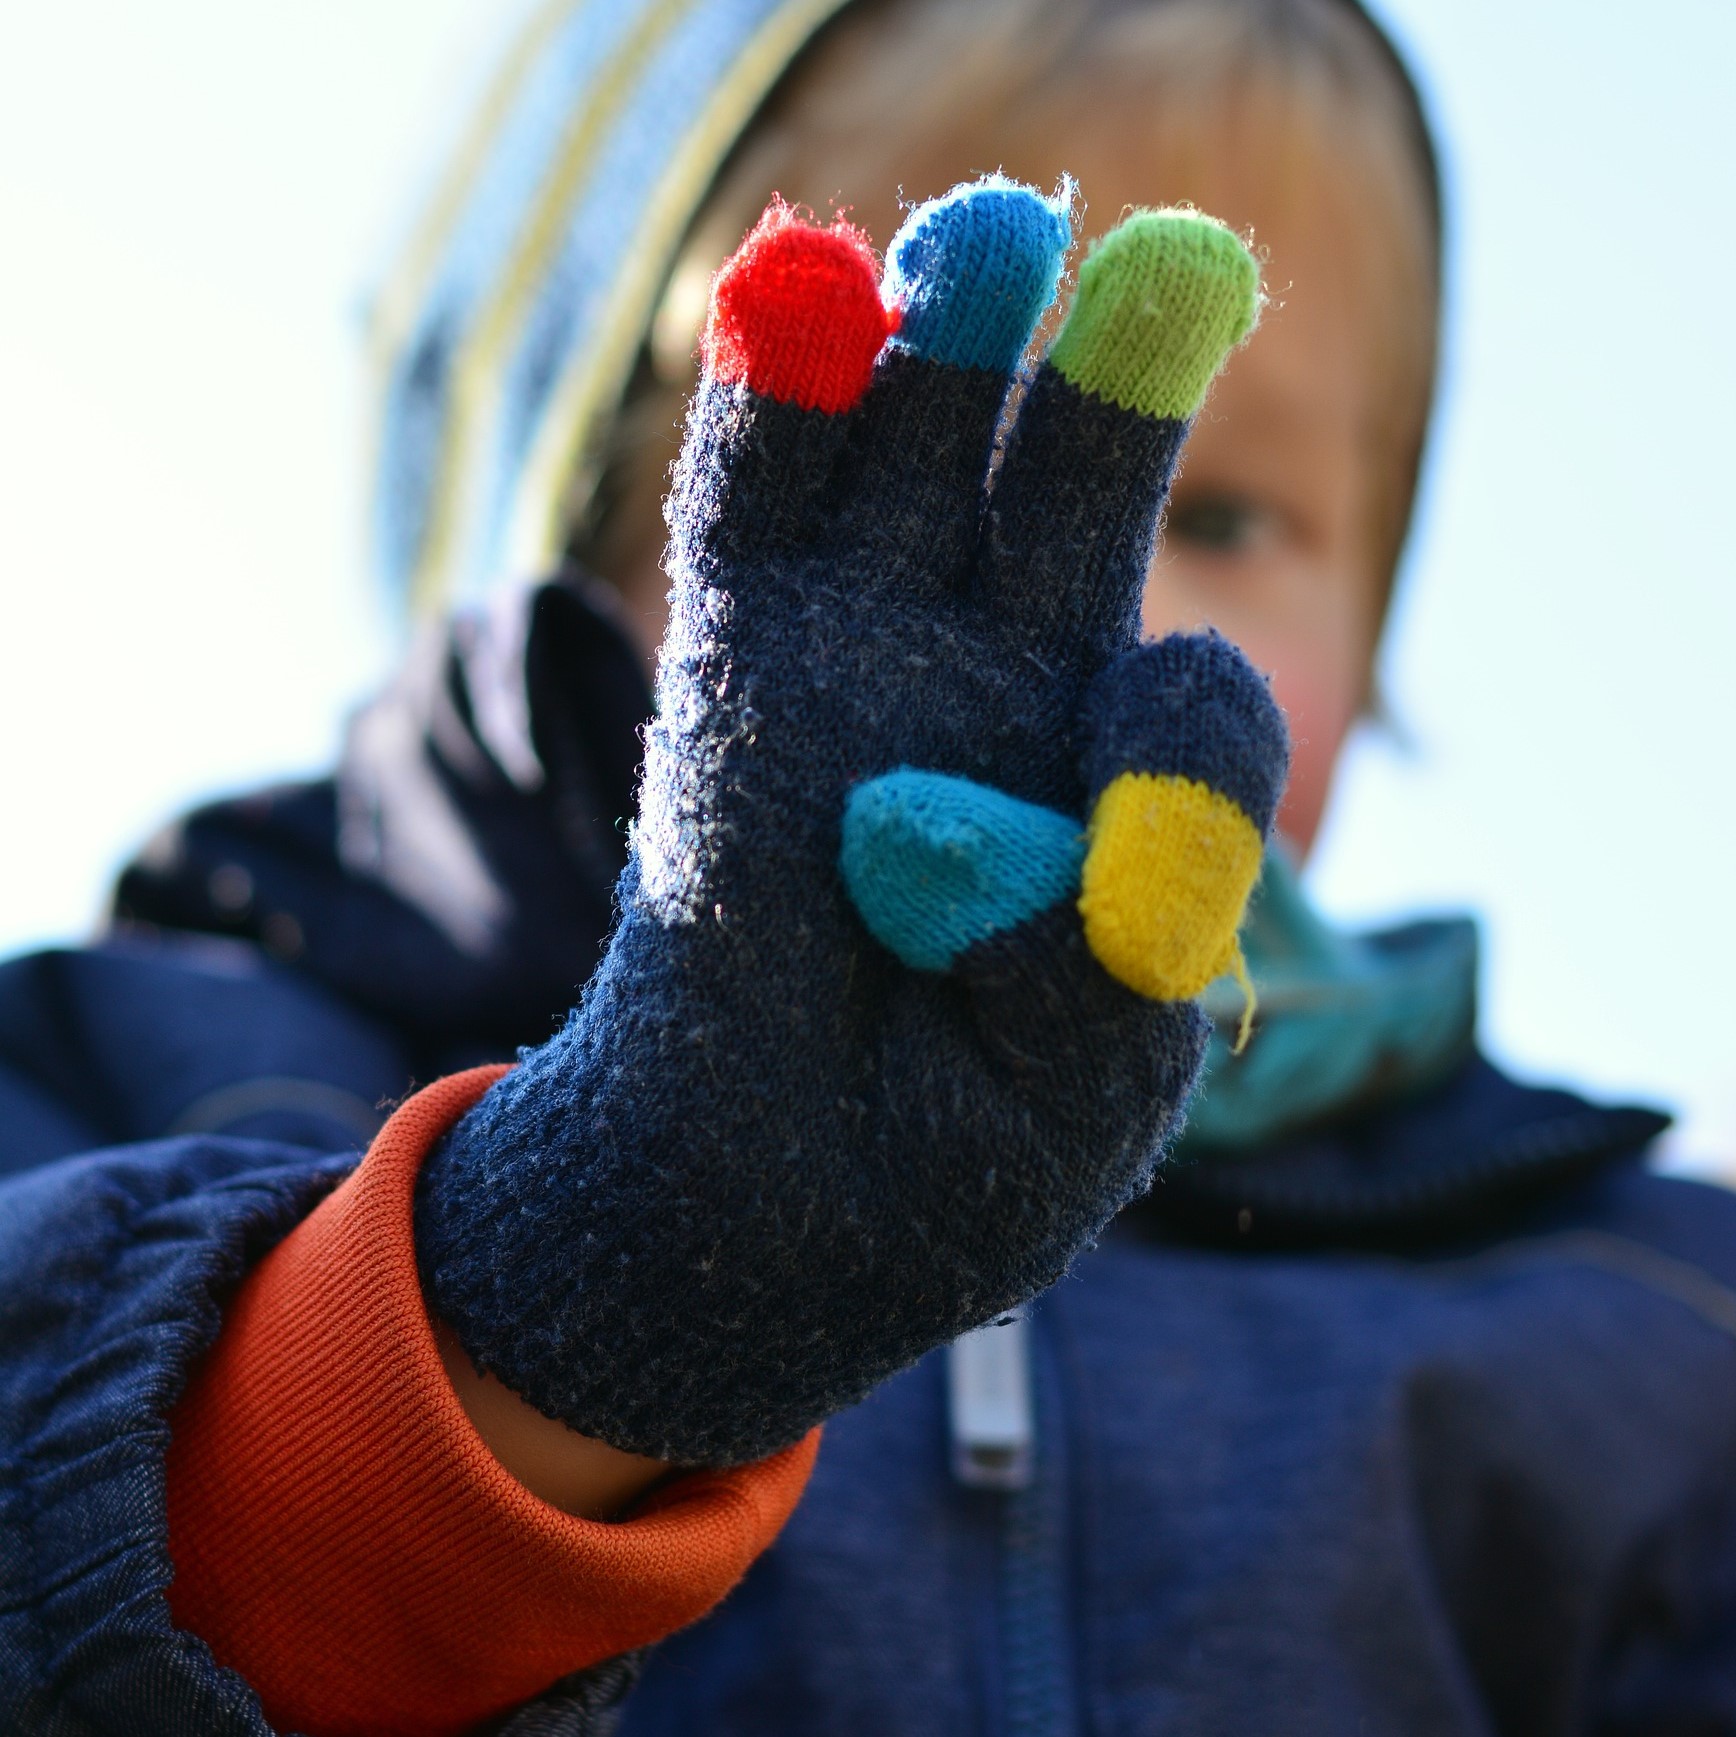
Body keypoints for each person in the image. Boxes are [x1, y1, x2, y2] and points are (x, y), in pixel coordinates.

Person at [3, 2, 1733, 1735]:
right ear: (592, 513)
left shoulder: (1644, 1319)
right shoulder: (170, 1078)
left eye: (1215, 518)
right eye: (903, 449)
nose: (1088, 622)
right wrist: (568, 1301)